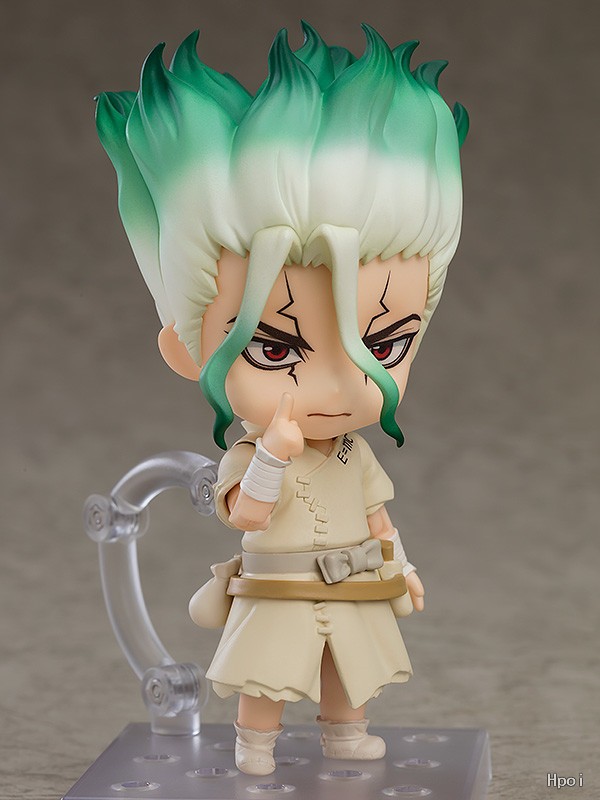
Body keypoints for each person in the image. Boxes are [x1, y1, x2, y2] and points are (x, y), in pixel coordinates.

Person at [95, 21, 468, 776]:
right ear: (187, 348)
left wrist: (401, 563)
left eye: (385, 344)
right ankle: (254, 745)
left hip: (354, 583)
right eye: (274, 349)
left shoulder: (355, 454)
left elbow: (378, 515)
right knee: (265, 677)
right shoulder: (252, 451)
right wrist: (270, 456)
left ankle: (344, 737)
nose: (339, 383)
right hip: (275, 589)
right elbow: (244, 514)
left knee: (349, 674)